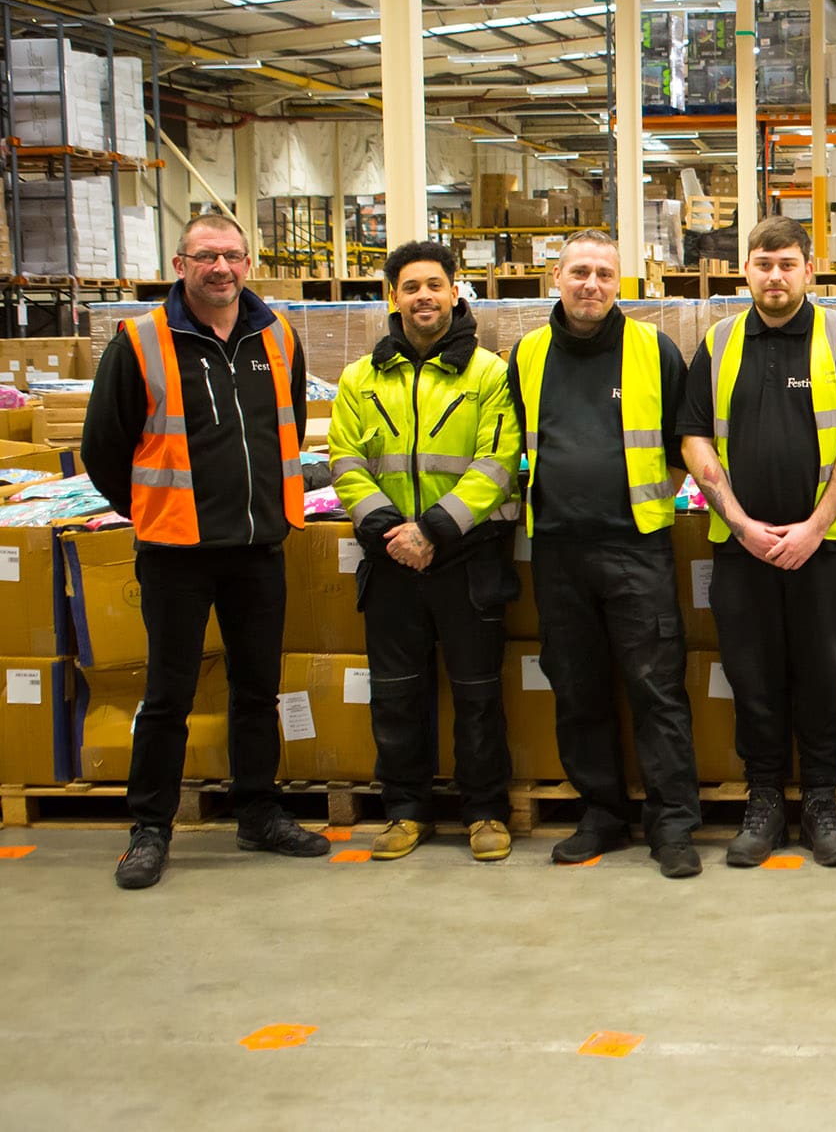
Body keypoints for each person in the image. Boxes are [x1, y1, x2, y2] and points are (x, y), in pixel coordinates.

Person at [81, 213, 329, 889]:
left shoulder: (276, 335)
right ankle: (150, 828)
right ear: (180, 264)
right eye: (206, 256)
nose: (221, 268)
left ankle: (258, 813)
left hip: (258, 546)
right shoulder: (140, 341)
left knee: (257, 690)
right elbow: (103, 447)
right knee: (168, 695)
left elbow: (288, 429)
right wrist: (150, 509)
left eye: (232, 256)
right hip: (176, 553)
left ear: (248, 263)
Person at [680, 217, 836, 868]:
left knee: (823, 675)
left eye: (787, 264)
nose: (775, 276)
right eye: (763, 264)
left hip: (823, 549)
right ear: (745, 269)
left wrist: (814, 526)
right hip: (742, 548)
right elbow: (694, 437)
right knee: (752, 674)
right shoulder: (719, 343)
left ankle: (821, 802)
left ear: (808, 269)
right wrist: (740, 522)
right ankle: (765, 799)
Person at [509, 229, 704, 878]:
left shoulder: (653, 348)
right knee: (577, 688)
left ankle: (672, 823)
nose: (591, 284)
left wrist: (647, 501)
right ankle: (601, 814)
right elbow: (518, 443)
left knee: (656, 689)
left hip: (635, 546)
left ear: (620, 283)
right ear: (556, 278)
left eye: (603, 274)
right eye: (579, 272)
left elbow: (684, 441)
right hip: (557, 548)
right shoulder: (529, 352)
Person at [330, 240, 521, 863]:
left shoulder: (488, 373)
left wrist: (432, 531)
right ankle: (406, 811)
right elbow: (345, 461)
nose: (423, 297)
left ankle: (485, 811)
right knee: (396, 693)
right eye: (410, 287)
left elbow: (498, 463)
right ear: (394, 297)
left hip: (466, 558)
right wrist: (392, 531)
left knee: (477, 692)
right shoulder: (360, 378)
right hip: (391, 559)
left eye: (434, 285)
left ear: (454, 291)